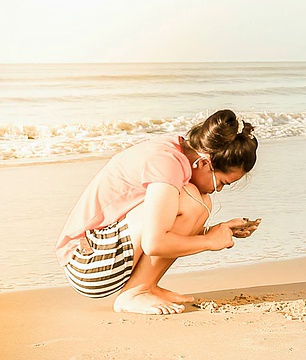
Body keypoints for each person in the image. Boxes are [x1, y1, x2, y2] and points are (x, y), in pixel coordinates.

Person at [55, 109, 260, 315]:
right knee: (192, 199)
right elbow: (155, 243)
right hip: (88, 265)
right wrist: (209, 242)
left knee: (198, 201)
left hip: (105, 256)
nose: (218, 189)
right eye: (222, 182)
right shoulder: (167, 164)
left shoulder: (178, 150)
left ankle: (146, 286)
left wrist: (214, 231)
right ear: (204, 162)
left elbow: (165, 226)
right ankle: (134, 293)